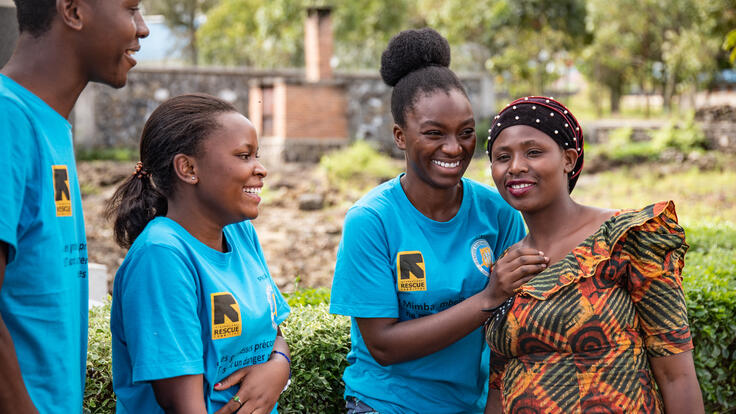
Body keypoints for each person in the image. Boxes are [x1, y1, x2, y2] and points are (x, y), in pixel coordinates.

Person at [329, 28, 547, 414]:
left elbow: (513, 327)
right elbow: (383, 346)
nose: (454, 147)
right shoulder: (372, 220)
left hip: (470, 405)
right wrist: (487, 298)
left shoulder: (497, 213)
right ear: (400, 136)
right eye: (434, 133)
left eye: (466, 133)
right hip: (385, 404)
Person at [484, 96, 704, 413]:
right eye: (502, 157)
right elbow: (499, 385)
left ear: (569, 159)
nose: (516, 166)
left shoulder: (625, 238)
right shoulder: (507, 265)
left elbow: (677, 375)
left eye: (533, 152)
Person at [0, 1, 148, 412]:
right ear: (73, 11)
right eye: (131, 8)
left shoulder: (49, 125)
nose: (143, 29)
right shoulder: (7, 119)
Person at [106, 94, 291, 413]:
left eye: (256, 155)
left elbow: (273, 330)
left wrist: (278, 365)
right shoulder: (162, 256)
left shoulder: (239, 231)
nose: (261, 169)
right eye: (244, 156)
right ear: (188, 168)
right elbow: (185, 406)